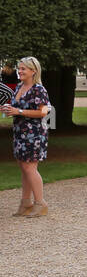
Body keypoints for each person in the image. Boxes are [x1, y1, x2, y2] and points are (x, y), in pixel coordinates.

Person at [4, 56, 52, 217]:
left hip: (34, 133)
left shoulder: (39, 89)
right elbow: (17, 108)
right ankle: (26, 204)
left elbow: (44, 112)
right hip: (19, 132)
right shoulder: (19, 87)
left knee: (29, 167)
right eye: (19, 68)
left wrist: (19, 111)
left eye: (23, 68)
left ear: (33, 71)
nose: (20, 71)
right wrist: (9, 109)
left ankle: (41, 203)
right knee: (24, 168)